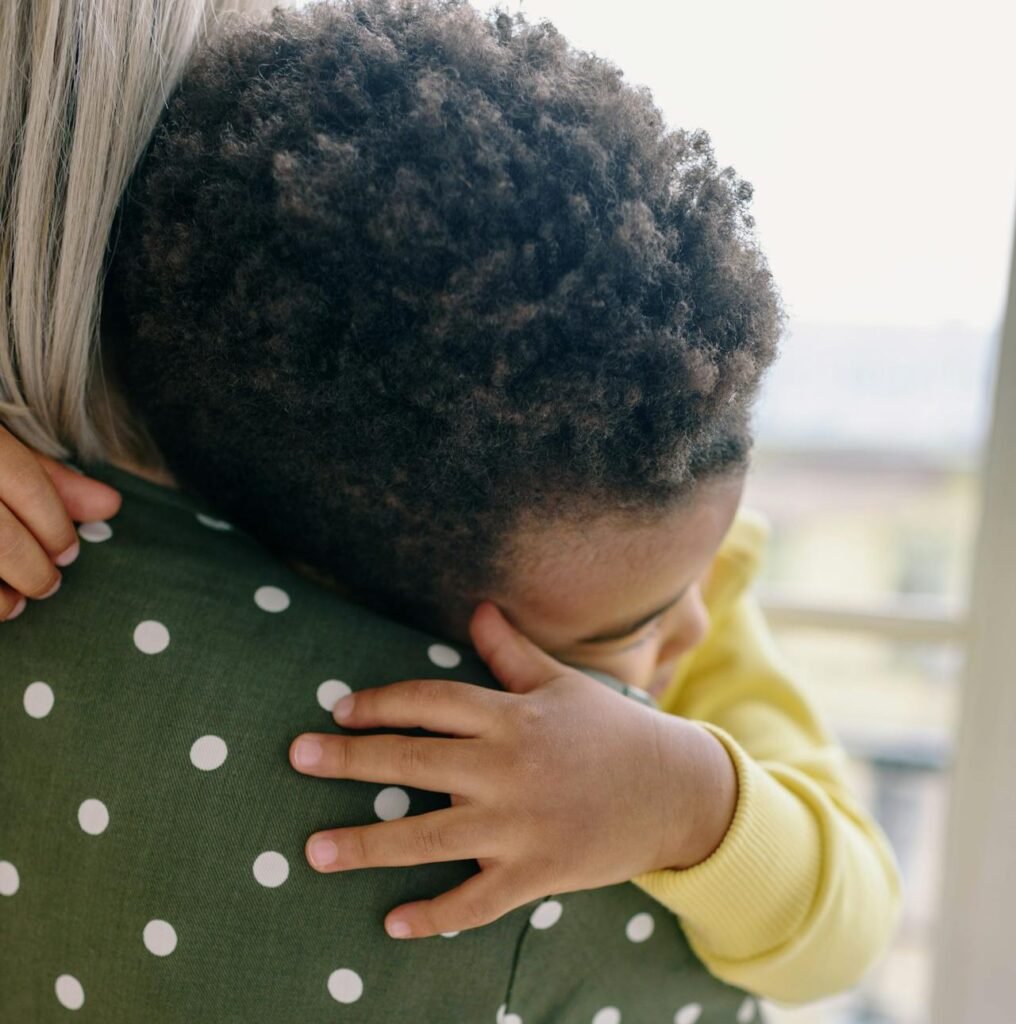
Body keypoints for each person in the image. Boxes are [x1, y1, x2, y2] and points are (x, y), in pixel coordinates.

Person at [0, 0, 901, 1016]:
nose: (695, 623)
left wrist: (688, 801)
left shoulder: (698, 589)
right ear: (344, 589)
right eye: (629, 629)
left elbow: (853, 924)